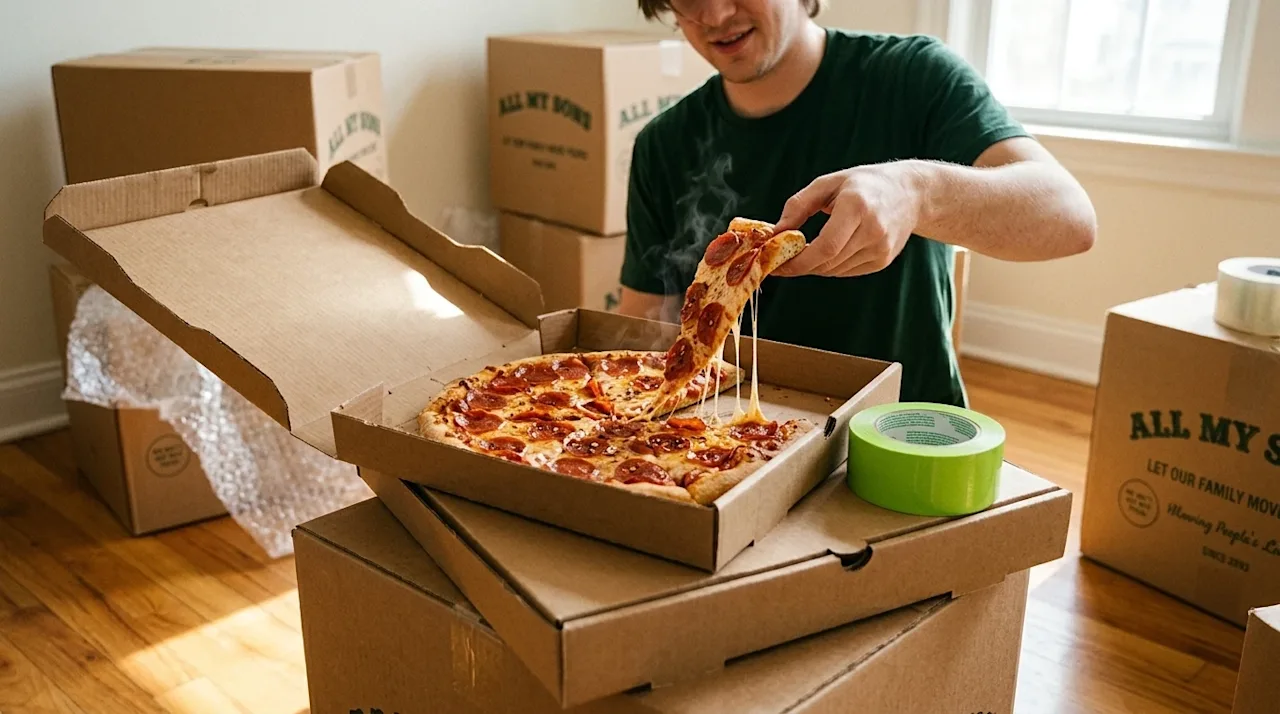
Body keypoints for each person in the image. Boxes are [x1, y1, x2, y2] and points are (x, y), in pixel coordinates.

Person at [617, 0, 1097, 407]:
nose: (716, 14)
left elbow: (1070, 219)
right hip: (728, 438)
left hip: (899, 431)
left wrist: (916, 192)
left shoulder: (912, 77)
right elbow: (643, 321)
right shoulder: (663, 143)